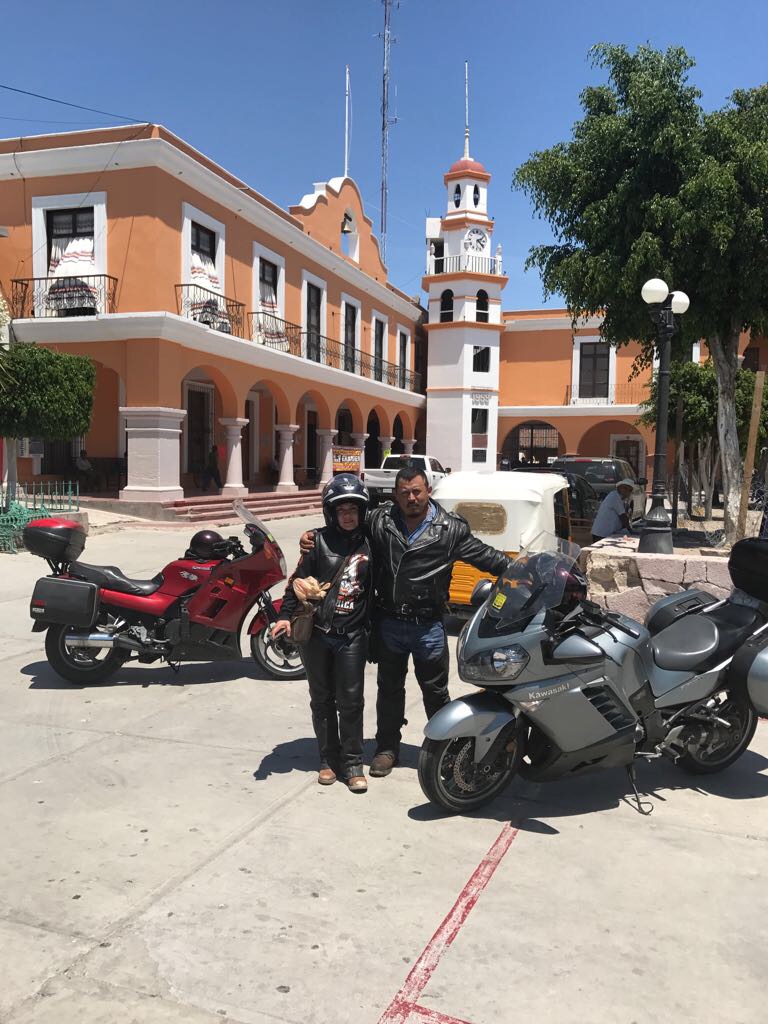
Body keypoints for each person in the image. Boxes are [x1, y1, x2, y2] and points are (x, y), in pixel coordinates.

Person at [300, 461, 510, 778]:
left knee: (436, 693)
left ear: (428, 491)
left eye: (416, 491)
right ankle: (387, 749)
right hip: (390, 623)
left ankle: (449, 751)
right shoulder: (380, 520)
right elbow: (345, 526)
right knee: (389, 690)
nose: (411, 498)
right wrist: (312, 536)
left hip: (428, 626)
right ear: (396, 496)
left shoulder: (451, 529)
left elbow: (487, 556)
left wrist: (521, 571)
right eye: (404, 493)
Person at [273, 474, 372, 793]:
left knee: (352, 700)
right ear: (330, 512)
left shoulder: (372, 541)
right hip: (317, 632)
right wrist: (285, 616)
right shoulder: (316, 541)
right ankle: (328, 760)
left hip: (353, 634)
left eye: (353, 509)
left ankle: (354, 762)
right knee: (322, 698)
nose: (348, 515)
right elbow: (296, 582)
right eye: (341, 509)